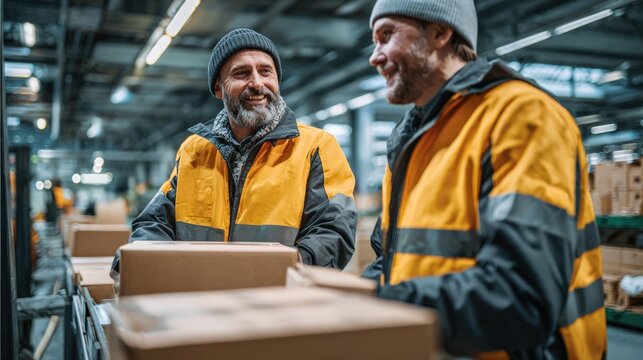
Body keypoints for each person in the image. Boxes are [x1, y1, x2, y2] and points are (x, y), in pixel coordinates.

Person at [362, 1, 605, 358]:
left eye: (387, 36)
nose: (375, 56)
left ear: (441, 32)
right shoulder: (408, 139)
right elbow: (391, 258)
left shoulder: (521, 116)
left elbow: (520, 297)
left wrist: (374, 303)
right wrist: (347, 298)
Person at [111, 28, 357, 277]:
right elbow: (155, 221)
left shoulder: (315, 147)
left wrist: (285, 272)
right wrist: (138, 263)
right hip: (199, 297)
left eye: (265, 71)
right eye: (241, 73)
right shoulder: (194, 150)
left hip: (280, 301)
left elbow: (334, 231)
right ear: (218, 88)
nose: (257, 83)